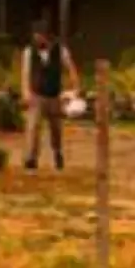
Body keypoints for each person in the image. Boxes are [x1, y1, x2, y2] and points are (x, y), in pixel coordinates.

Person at [21, 21, 80, 171]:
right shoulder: (29, 52)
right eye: (35, 35)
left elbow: (71, 69)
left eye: (39, 35)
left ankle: (57, 153)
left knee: (56, 128)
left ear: (46, 36)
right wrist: (25, 92)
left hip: (54, 95)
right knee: (33, 127)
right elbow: (25, 73)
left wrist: (75, 88)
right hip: (37, 95)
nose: (37, 38)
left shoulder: (60, 51)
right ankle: (31, 159)